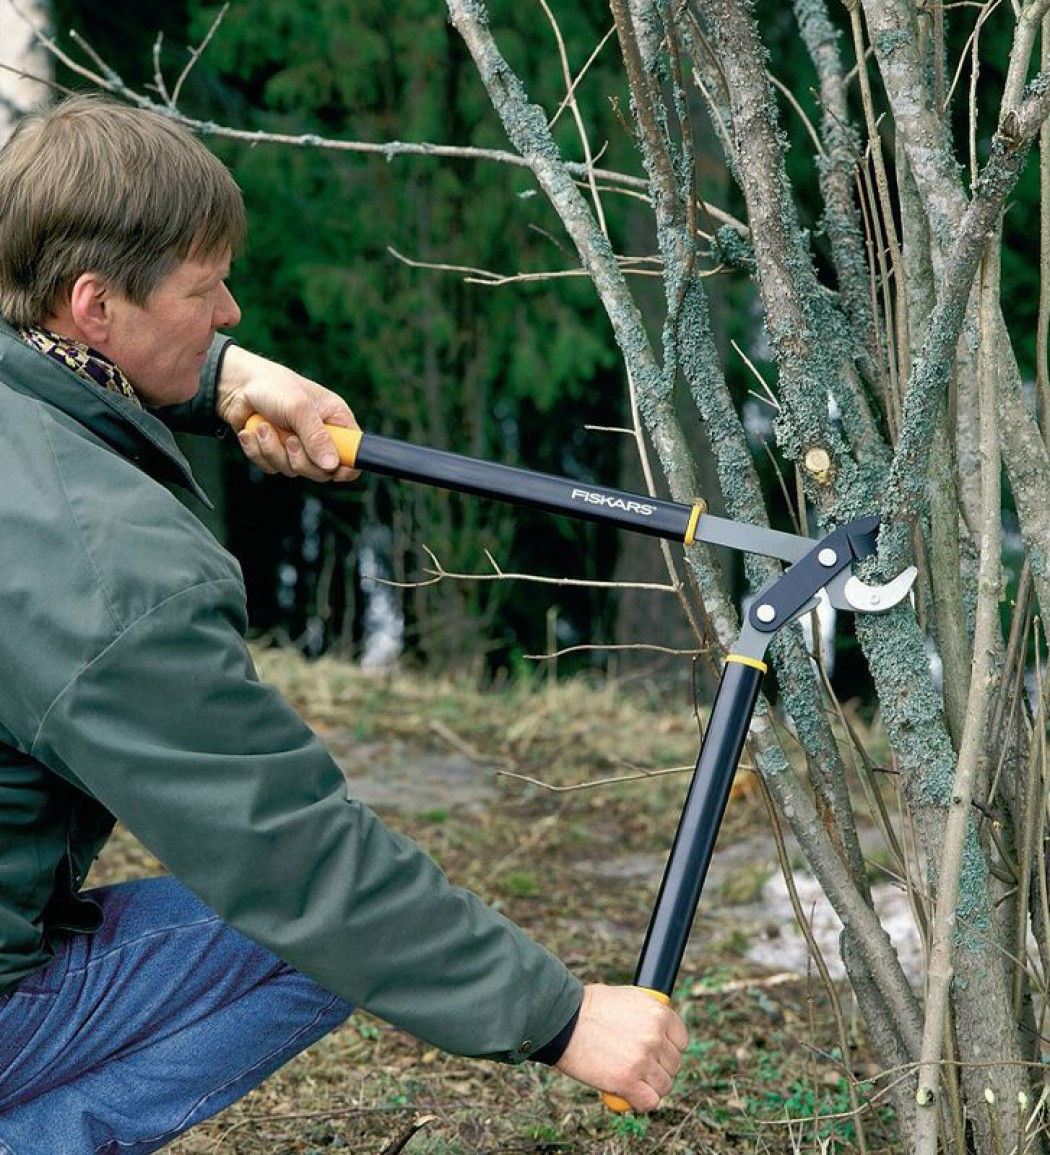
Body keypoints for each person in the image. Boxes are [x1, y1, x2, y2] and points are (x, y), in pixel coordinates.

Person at [0, 94, 687, 1153]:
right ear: (93, 309)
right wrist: (559, 1018)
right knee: (306, 941)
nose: (231, 312)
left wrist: (226, 378)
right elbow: (288, 855)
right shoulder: (106, 570)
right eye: (204, 289)